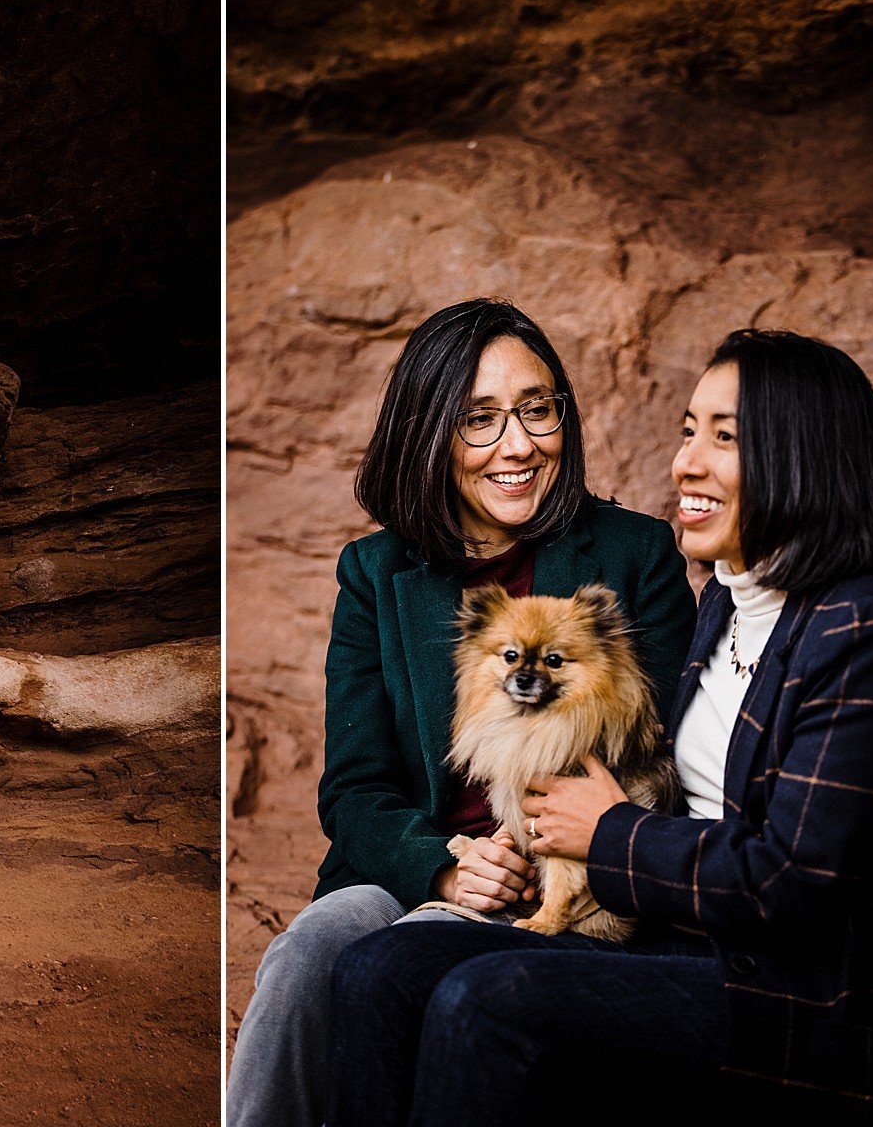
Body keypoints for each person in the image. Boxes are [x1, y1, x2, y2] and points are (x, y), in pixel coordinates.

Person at [326, 330, 873, 1125]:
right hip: (698, 940)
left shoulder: (867, 624)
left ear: (808, 458)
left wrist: (609, 833)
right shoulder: (730, 607)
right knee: (380, 968)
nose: (686, 464)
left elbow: (791, 883)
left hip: (813, 994)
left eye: (725, 437)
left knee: (486, 999)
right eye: (687, 431)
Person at [225, 299, 696, 1127]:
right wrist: (445, 864)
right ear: (429, 433)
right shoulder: (374, 574)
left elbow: (674, 759)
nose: (517, 445)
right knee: (308, 954)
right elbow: (357, 791)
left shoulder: (633, 553)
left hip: (586, 883)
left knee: (424, 986)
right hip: (425, 872)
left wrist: (586, 847)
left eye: (536, 409)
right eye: (478, 420)